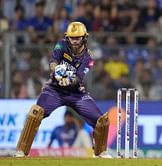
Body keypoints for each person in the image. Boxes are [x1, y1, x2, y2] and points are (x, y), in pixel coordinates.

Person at [15, 21, 112, 158]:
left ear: (84, 38)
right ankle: (21, 151)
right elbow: (53, 61)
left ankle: (101, 152)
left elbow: (79, 77)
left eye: (77, 38)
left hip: (76, 93)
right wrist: (57, 72)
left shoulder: (88, 58)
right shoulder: (61, 44)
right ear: (67, 37)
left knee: (101, 121)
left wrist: (69, 80)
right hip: (54, 90)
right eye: (71, 37)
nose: (74, 41)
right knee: (35, 113)